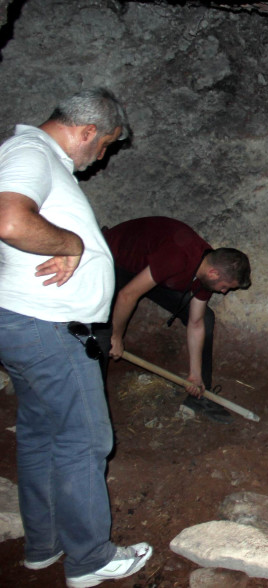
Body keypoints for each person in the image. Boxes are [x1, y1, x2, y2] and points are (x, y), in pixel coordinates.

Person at [0, 88, 153, 587]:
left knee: (43, 435)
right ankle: (90, 559)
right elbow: (10, 220)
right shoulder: (31, 153)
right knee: (86, 439)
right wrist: (72, 243)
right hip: (48, 329)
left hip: (29, 326)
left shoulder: (35, 158)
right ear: (87, 131)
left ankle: (45, 546)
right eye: (105, 144)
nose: (101, 157)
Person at [97, 216, 251, 422]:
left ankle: (198, 396)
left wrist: (194, 374)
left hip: (152, 270)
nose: (223, 292)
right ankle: (93, 409)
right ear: (214, 273)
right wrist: (116, 335)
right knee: (103, 333)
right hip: (113, 259)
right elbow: (128, 295)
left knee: (205, 317)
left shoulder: (204, 274)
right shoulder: (177, 258)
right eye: (225, 286)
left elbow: (196, 323)